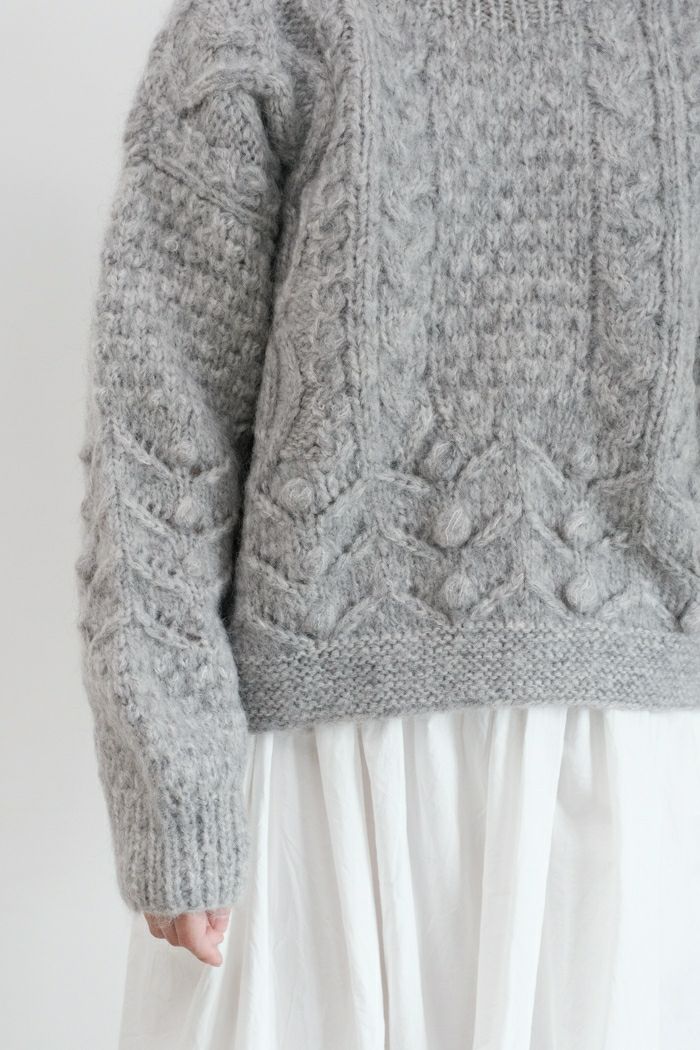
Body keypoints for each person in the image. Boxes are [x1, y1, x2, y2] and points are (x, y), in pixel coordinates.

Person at [75, 0, 700, 1046]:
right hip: (322, 782)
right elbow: (161, 414)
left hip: (642, 784)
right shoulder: (264, 21)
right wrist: (173, 777)